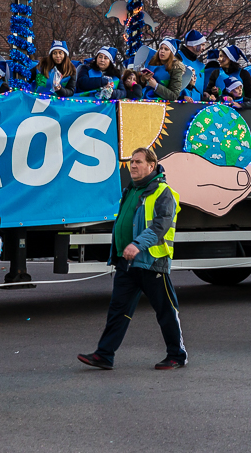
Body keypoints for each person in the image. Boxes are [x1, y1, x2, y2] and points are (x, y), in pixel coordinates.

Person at [77, 147, 186, 370]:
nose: (133, 165)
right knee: (118, 311)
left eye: (138, 161)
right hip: (127, 263)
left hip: (152, 262)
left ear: (151, 166)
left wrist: (137, 244)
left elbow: (161, 225)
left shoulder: (163, 192)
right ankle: (104, 355)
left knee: (166, 311)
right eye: (131, 162)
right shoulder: (131, 190)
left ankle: (177, 355)